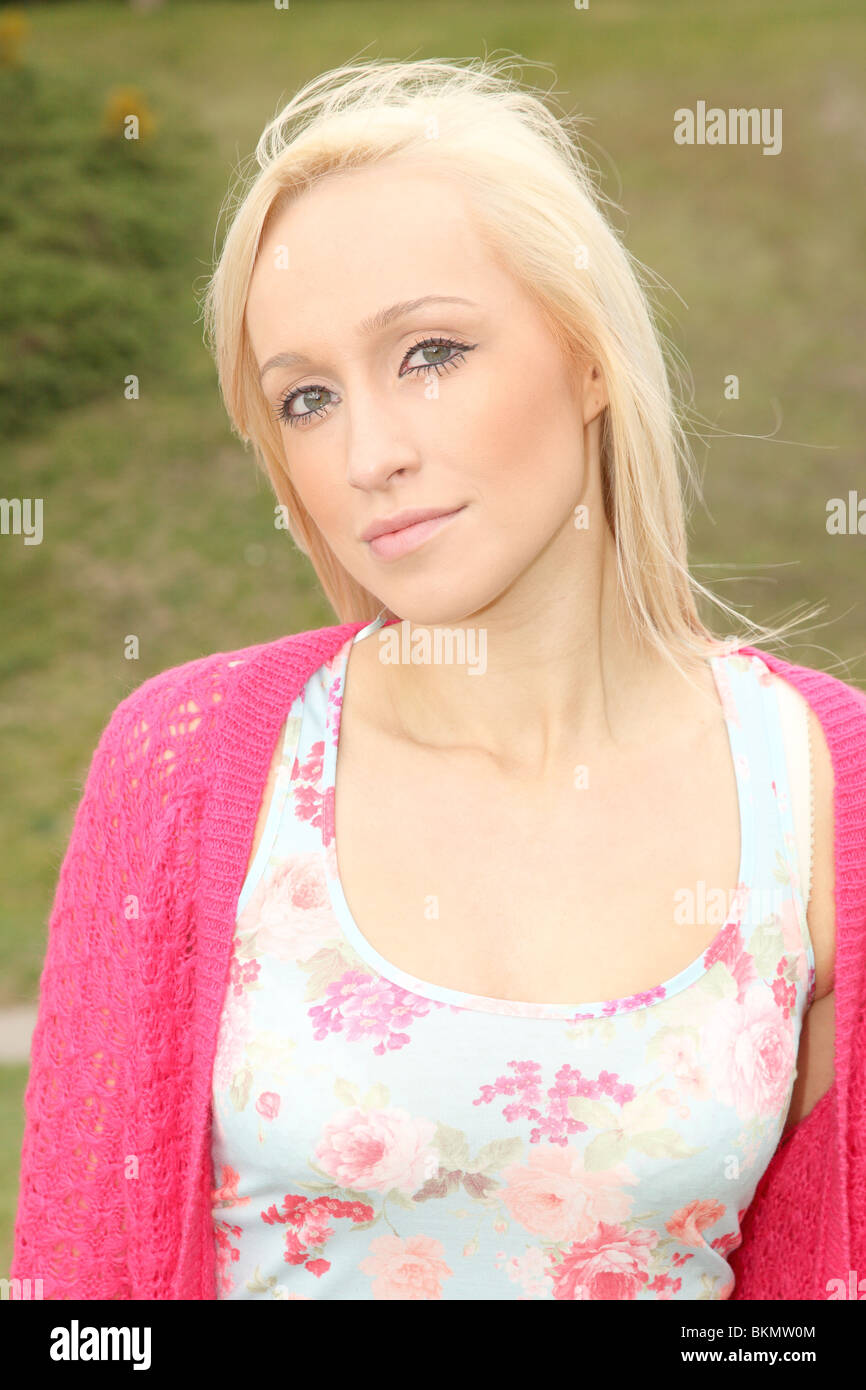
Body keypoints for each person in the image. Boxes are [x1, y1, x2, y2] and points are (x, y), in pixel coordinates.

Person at [11, 56, 866, 1301]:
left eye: (428, 353)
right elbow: (82, 1296)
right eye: (305, 397)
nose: (367, 454)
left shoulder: (820, 793)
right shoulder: (185, 764)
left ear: (586, 360)